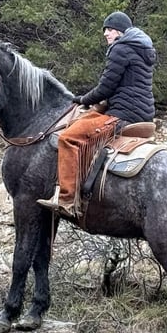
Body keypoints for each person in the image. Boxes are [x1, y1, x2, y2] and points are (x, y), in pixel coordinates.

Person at [37, 11, 157, 217]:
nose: (106, 34)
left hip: (123, 114)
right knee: (88, 119)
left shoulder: (121, 49)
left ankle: (66, 199)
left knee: (68, 138)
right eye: (105, 30)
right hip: (143, 114)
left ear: (120, 31)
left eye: (109, 29)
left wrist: (82, 99)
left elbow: (105, 88)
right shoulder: (142, 49)